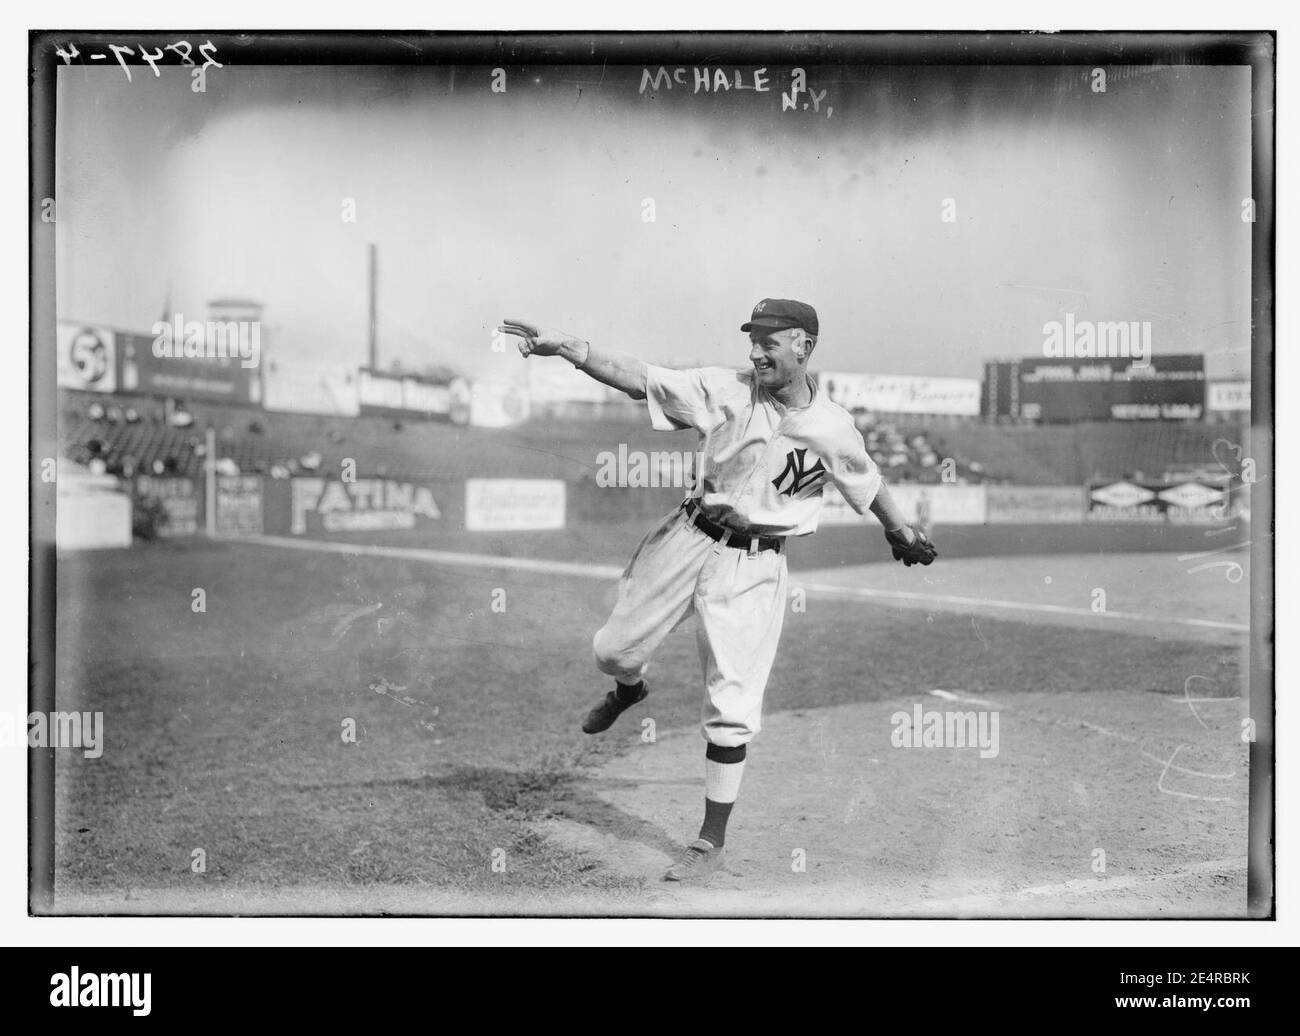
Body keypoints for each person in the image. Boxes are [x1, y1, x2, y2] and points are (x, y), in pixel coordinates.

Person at [497, 299, 936, 884]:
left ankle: (710, 842)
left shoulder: (832, 426)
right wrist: (571, 348)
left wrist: (899, 529)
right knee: (613, 651)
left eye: (769, 343)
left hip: (754, 567)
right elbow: (641, 378)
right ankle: (630, 689)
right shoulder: (724, 389)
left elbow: (866, 477)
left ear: (803, 346)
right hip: (687, 537)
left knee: (732, 704)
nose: (755, 353)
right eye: (751, 341)